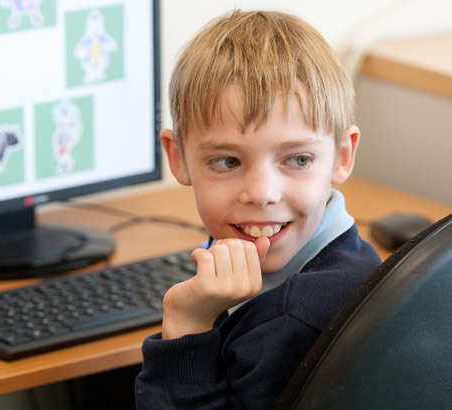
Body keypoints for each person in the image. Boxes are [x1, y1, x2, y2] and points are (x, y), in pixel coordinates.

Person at [135, 9, 382, 410]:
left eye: (297, 160)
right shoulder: (345, 258)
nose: (262, 194)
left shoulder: (291, 320)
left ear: (341, 156)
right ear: (177, 158)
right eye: (228, 162)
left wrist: (186, 325)